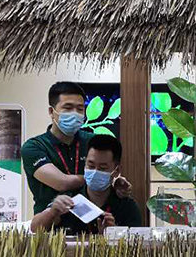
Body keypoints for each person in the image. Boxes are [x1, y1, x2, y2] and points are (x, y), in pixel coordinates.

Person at [22, 82, 130, 218]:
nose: (75, 114)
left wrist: (115, 181)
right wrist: (102, 178)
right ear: (51, 111)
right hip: (51, 222)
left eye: (80, 109)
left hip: (94, 219)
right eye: (68, 108)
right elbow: (62, 183)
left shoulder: (93, 141)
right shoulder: (34, 147)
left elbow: (112, 168)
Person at [31, 135, 142, 234]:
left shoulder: (127, 207)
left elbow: (136, 243)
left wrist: (113, 233)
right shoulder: (69, 199)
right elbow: (35, 228)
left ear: (116, 171)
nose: (95, 172)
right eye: (91, 166)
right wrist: (52, 213)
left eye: (103, 168)